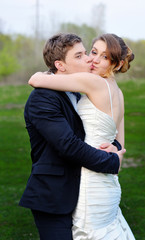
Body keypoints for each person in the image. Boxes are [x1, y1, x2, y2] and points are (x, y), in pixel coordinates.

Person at [29, 33, 135, 239]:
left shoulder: (91, 82)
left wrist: (46, 73)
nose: (93, 59)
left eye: (104, 57)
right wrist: (115, 153)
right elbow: (120, 144)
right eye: (93, 52)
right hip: (108, 183)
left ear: (117, 63)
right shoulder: (118, 93)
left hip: (90, 179)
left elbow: (34, 79)